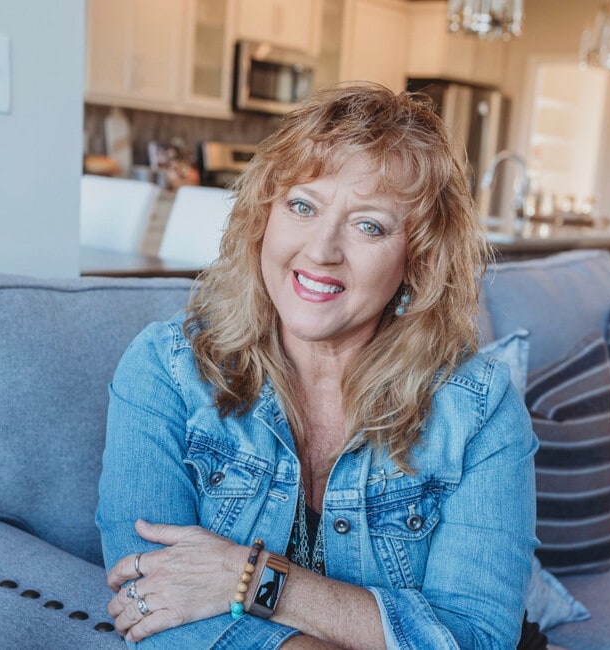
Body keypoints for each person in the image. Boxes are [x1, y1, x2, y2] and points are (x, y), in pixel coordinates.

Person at [97, 82, 539, 649]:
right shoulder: (169, 370)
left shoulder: (478, 410)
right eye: (302, 206)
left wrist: (251, 578)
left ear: (418, 261)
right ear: (263, 217)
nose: (322, 250)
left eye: (369, 225)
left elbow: (476, 638)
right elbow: (148, 601)